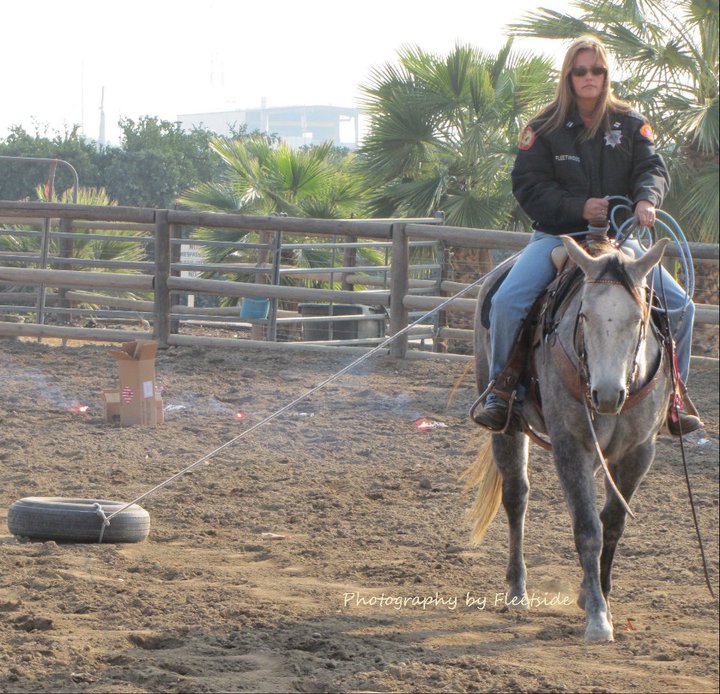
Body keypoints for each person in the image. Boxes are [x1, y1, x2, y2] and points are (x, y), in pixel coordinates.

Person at [473, 35, 702, 436]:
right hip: (556, 239)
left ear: (606, 75)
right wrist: (577, 207)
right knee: (507, 301)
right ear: (569, 75)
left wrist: (646, 200)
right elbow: (527, 185)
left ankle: (674, 398)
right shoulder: (542, 128)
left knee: (682, 308)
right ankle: (502, 390)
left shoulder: (632, 124)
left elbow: (652, 169)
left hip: (620, 241)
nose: (589, 77)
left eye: (597, 70)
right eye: (580, 70)